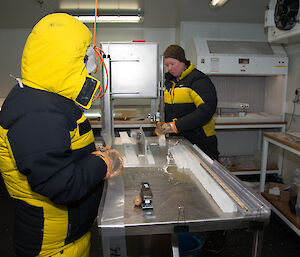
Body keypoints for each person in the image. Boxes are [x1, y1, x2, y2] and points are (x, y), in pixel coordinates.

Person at [0, 13, 124, 257]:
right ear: (65, 60)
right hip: (51, 242)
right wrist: (103, 162)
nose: (92, 62)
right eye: (85, 55)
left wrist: (90, 154)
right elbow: (61, 185)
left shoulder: (47, 98)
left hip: (69, 232)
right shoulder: (36, 111)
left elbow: (59, 152)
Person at [155, 44, 219, 160]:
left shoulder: (198, 80)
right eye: (167, 65)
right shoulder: (169, 83)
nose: (169, 68)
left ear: (182, 61)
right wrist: (161, 122)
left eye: (172, 64)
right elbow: (165, 106)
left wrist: (176, 126)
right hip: (179, 140)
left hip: (200, 142)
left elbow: (206, 111)